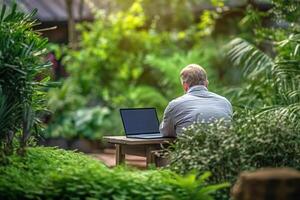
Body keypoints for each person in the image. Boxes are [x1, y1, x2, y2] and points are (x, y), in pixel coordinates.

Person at [159, 64, 232, 137]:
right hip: (221, 147)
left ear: (185, 86)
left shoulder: (175, 105)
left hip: (191, 148)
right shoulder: (225, 102)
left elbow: (166, 133)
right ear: (206, 83)